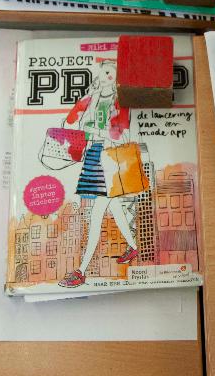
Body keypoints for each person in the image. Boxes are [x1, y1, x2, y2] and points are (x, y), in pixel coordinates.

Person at [59, 59, 139, 288]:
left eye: (110, 73)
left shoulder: (120, 101)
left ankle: (81, 271)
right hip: (94, 156)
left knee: (97, 214)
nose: (105, 76)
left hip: (110, 158)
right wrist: (84, 115)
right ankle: (134, 247)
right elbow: (75, 121)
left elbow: (121, 134)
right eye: (103, 72)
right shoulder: (93, 98)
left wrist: (95, 130)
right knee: (115, 208)